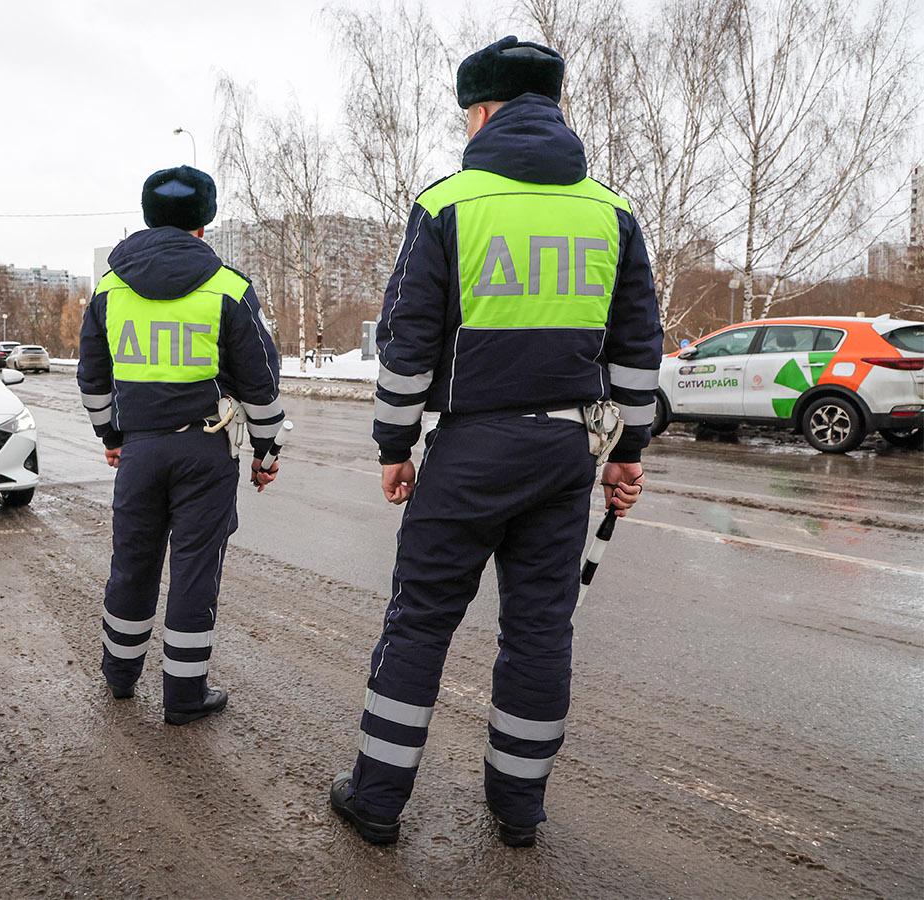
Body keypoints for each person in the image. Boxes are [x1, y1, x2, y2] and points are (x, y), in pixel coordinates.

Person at [328, 36, 662, 849]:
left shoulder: (449, 204)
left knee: (420, 623)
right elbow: (637, 345)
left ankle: (376, 801)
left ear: (481, 112)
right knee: (540, 631)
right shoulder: (612, 211)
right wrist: (628, 452)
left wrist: (393, 446)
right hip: (562, 456)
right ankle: (518, 807)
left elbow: (409, 343)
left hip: (472, 449)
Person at [77, 165, 286, 725]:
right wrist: (267, 452)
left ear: (148, 217)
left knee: (132, 561)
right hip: (205, 451)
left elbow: (92, 378)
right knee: (195, 570)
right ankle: (183, 695)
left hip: (140, 452)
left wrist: (111, 436)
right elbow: (259, 383)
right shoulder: (229, 288)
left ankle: (120, 675)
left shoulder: (109, 289)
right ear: (204, 222)